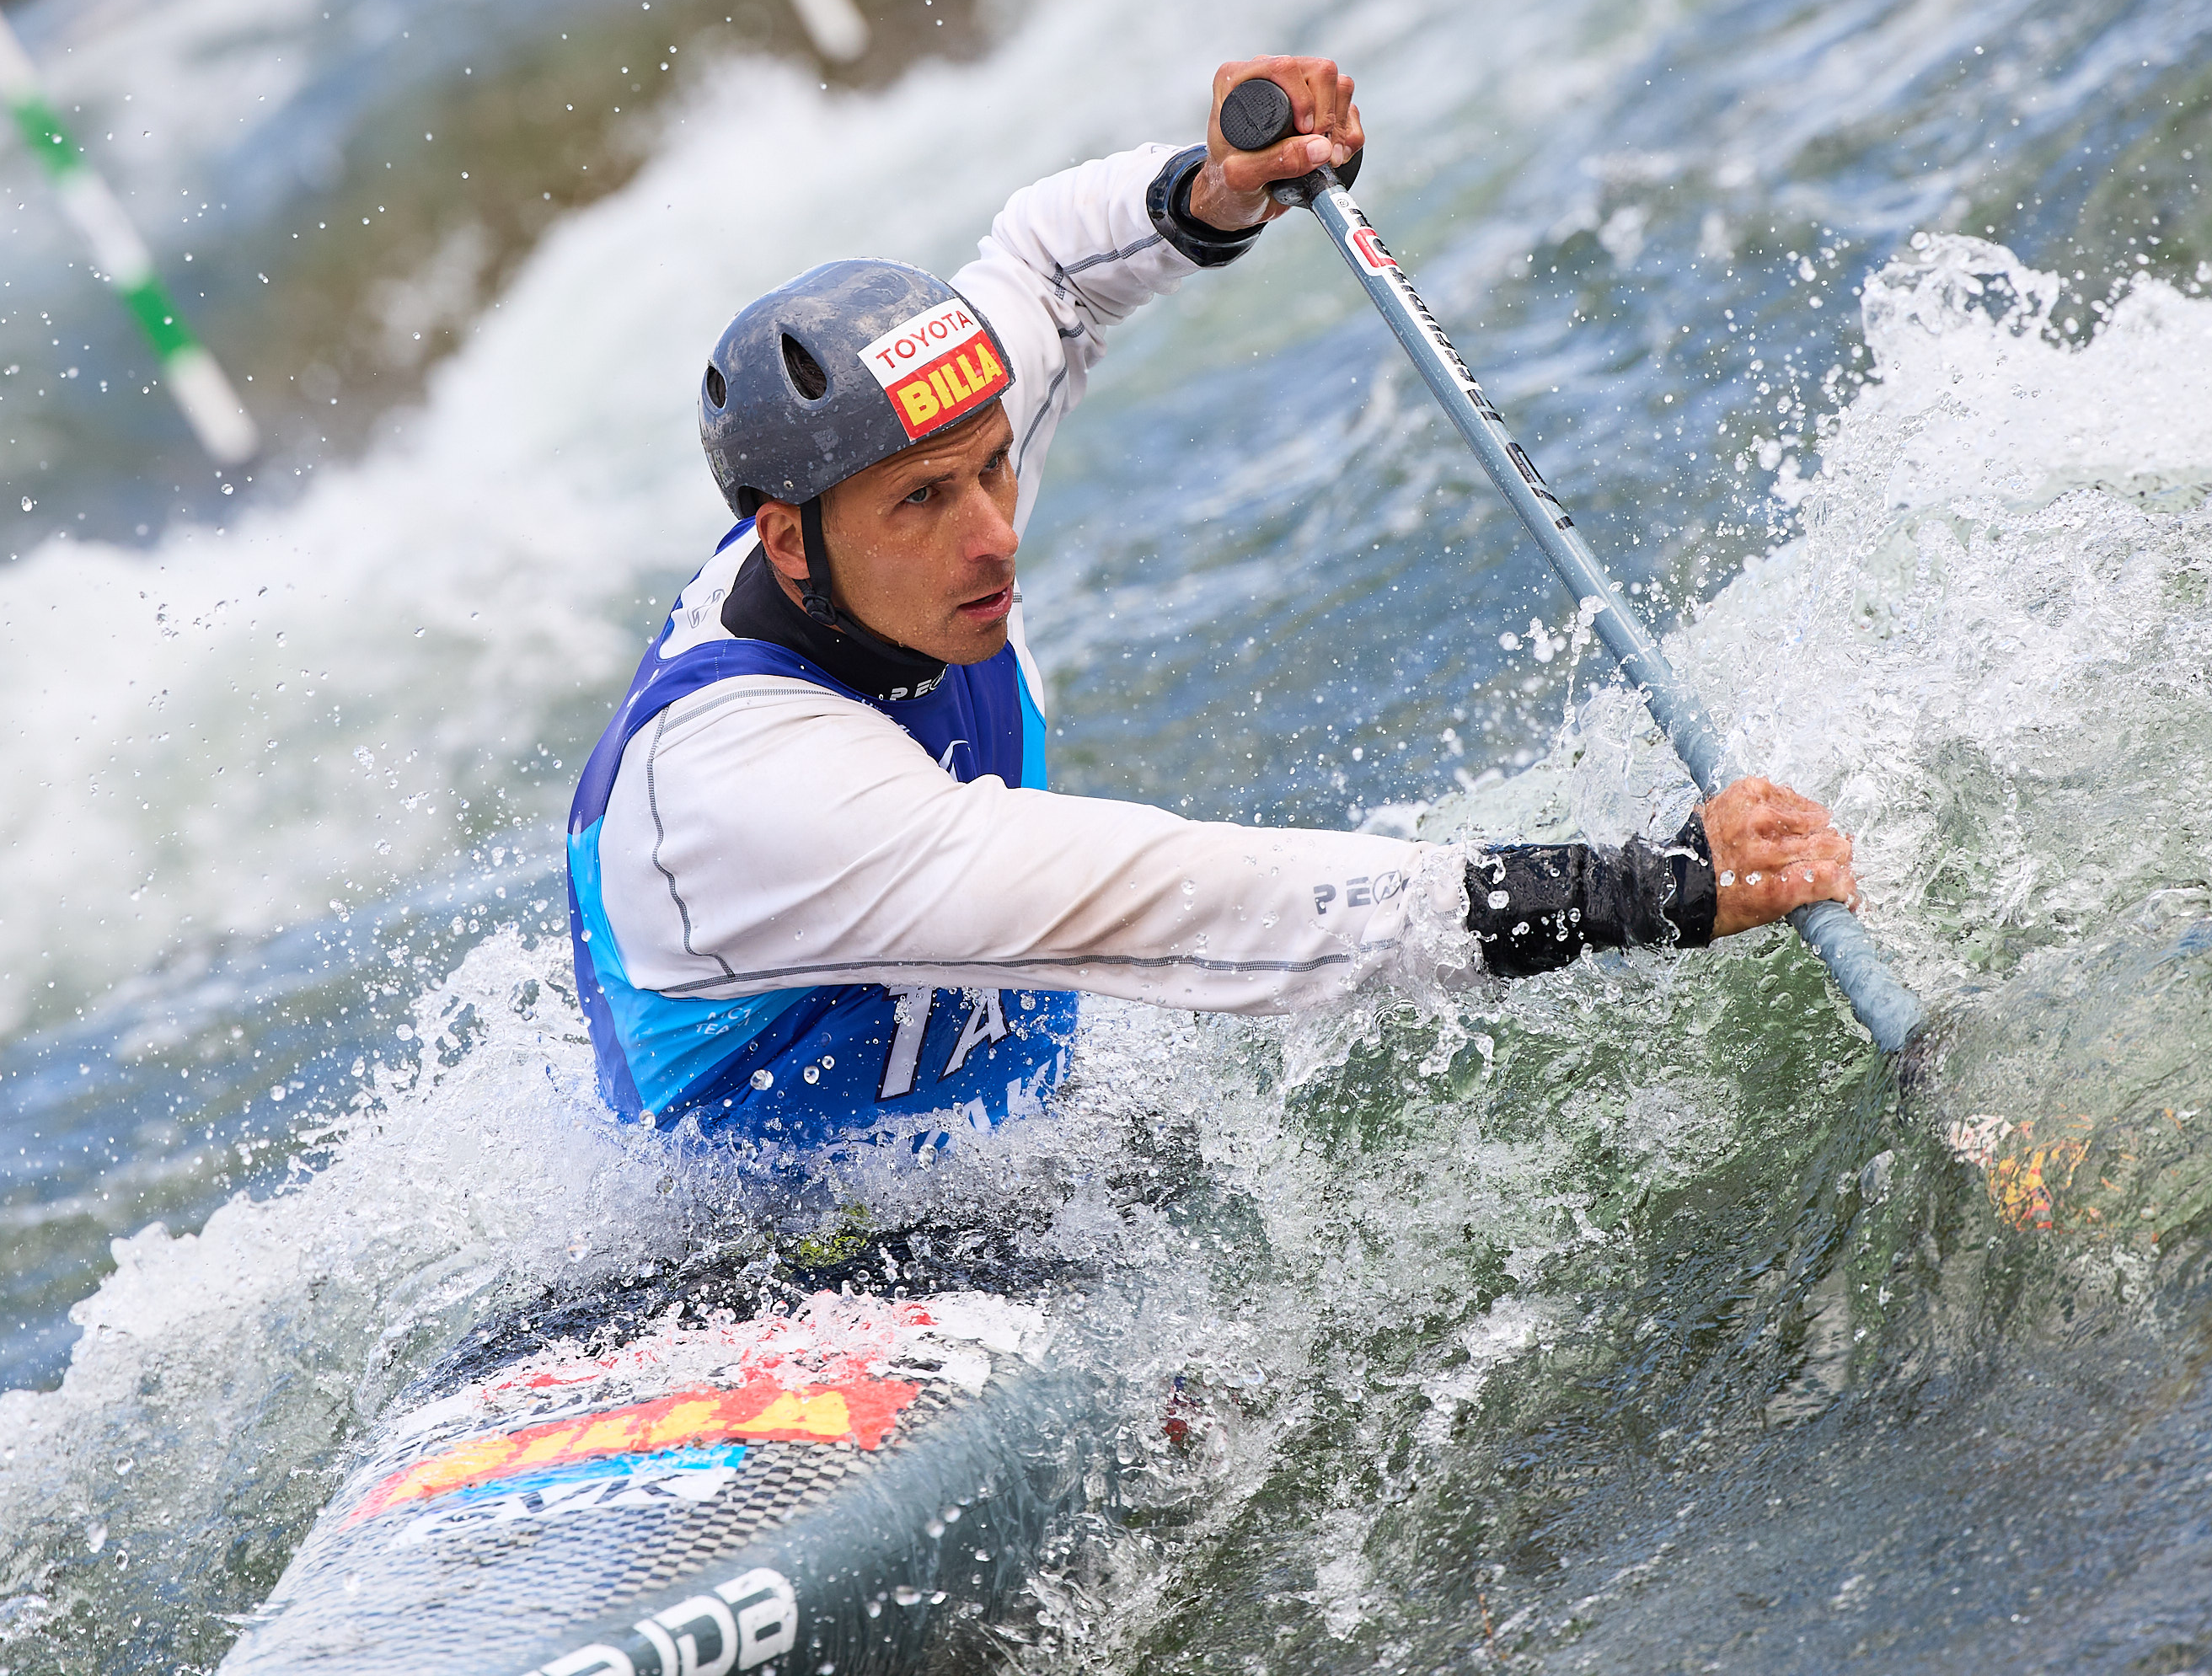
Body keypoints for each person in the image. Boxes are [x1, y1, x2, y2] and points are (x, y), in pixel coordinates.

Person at [565, 56, 1857, 1157]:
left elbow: (1049, 272)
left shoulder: (906, 467)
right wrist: (1634, 890)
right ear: (786, 541)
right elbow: (1178, 898)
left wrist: (1212, 184)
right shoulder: (748, 791)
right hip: (752, 1253)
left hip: (999, 1155)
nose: (994, 535)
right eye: (923, 504)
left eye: (995, 464)